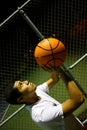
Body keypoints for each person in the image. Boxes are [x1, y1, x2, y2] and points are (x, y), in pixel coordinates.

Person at [5, 65, 85, 130]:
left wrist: (53, 68)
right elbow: (78, 100)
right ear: (21, 99)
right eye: (21, 85)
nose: (26, 81)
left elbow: (54, 79)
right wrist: (61, 71)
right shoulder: (41, 114)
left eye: (22, 82)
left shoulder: (37, 92)